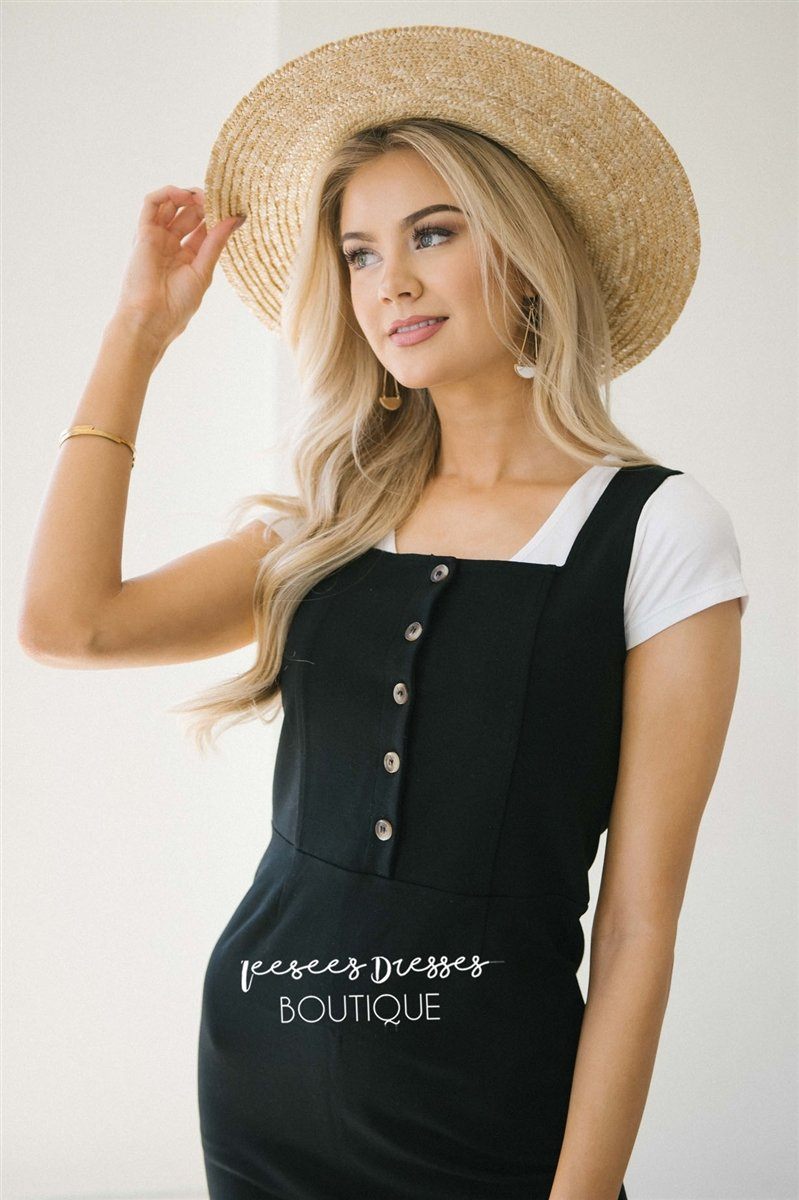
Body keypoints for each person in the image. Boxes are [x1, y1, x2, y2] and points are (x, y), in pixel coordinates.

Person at [18, 25, 749, 1200]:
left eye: (432, 234)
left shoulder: (655, 531)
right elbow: (69, 625)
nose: (389, 283)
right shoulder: (333, 519)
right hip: (260, 1093)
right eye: (358, 254)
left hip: (489, 1117)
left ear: (524, 256)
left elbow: (636, 925)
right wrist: (137, 337)